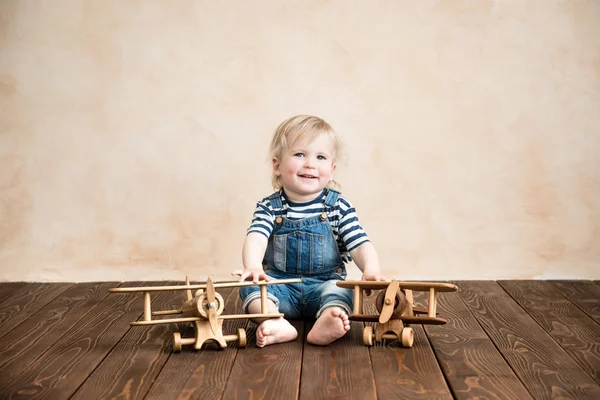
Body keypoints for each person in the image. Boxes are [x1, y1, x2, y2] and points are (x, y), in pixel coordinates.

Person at [234, 114, 385, 347]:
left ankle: (328, 319)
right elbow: (257, 236)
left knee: (344, 290)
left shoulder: (337, 206)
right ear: (277, 165)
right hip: (280, 287)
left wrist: (371, 269)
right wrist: (252, 266)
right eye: (299, 154)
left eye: (321, 157)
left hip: (323, 286)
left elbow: (359, 242)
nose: (310, 164)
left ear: (332, 169)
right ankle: (274, 321)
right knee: (251, 288)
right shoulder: (270, 207)